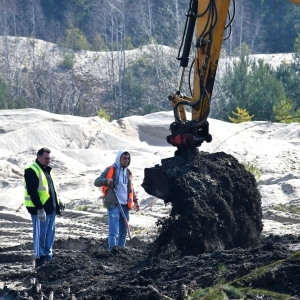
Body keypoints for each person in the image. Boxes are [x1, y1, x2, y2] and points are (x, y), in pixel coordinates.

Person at [24, 147, 65, 266]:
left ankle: (48, 255)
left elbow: (51, 189)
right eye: (46, 158)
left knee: (50, 234)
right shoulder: (31, 170)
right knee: (40, 234)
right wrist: (39, 209)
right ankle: (39, 257)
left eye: (49, 158)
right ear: (39, 157)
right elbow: (32, 191)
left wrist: (58, 201)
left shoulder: (47, 170)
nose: (48, 160)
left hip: (51, 208)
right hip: (40, 209)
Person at [94, 150, 140, 249]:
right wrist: (107, 181)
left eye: (128, 159)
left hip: (125, 205)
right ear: (119, 158)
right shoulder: (111, 169)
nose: (126, 161)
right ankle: (112, 252)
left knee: (123, 232)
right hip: (113, 204)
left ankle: (120, 252)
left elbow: (130, 188)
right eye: (124, 158)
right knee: (114, 232)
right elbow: (97, 182)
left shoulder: (128, 172)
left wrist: (135, 201)